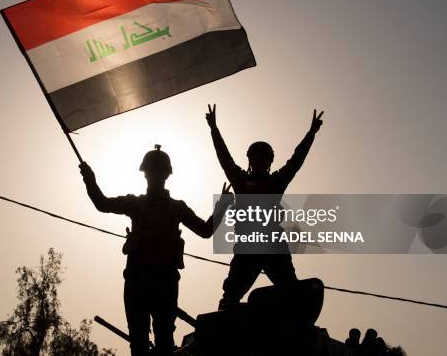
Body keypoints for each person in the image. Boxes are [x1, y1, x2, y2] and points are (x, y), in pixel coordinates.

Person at [79, 145, 231, 356]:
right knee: (142, 344)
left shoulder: (173, 207)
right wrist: (89, 179)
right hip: (141, 281)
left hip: (161, 282)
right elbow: (102, 203)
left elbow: (205, 231)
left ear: (165, 175)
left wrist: (222, 207)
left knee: (160, 344)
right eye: (153, 172)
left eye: (158, 172)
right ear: (147, 174)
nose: (155, 176)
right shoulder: (138, 204)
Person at [205, 104, 324, 309]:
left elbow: (296, 160)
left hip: (273, 246)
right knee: (230, 297)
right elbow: (224, 158)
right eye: (256, 156)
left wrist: (311, 134)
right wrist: (214, 129)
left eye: (264, 157)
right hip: (247, 247)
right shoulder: (240, 181)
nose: (259, 160)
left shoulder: (277, 182)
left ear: (269, 161)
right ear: (250, 160)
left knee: (292, 293)